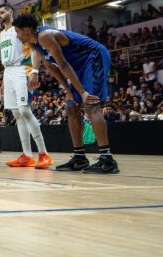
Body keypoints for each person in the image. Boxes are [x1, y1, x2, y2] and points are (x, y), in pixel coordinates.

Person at [13, 14, 119, 174]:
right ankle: (80, 157)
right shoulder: (33, 43)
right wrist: (69, 91)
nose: (17, 35)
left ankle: (107, 159)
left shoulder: (45, 36)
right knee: (71, 107)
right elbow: (51, 67)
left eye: (18, 31)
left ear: (27, 30)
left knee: (91, 105)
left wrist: (82, 92)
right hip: (78, 66)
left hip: (93, 56)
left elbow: (62, 64)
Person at [0, 4, 52, 169]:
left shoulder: (19, 28)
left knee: (25, 111)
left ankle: (44, 153)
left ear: (10, 12)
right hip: (8, 71)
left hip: (22, 68)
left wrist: (35, 70)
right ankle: (27, 155)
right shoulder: (2, 34)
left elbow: (35, 49)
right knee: (17, 114)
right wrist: (3, 82)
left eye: (2, 12)